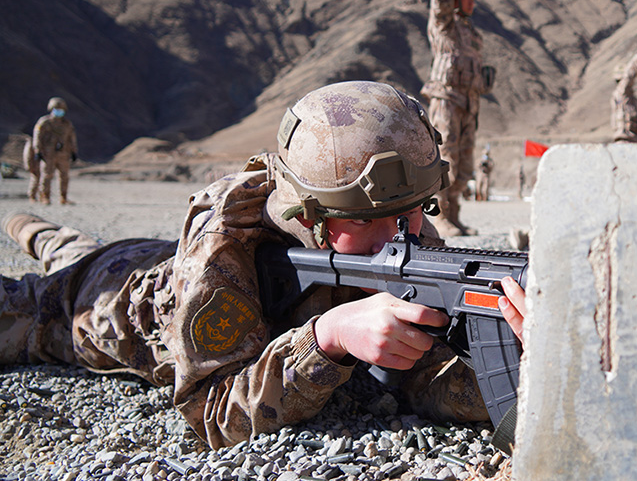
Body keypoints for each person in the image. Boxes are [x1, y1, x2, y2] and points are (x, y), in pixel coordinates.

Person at [0, 81, 527, 450]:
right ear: (310, 218)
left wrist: (533, 359)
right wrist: (324, 340)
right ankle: (34, 230)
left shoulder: (401, 225)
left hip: (155, 259)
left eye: (413, 213)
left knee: (64, 243)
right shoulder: (226, 244)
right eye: (370, 222)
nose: (399, 237)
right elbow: (210, 415)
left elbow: (425, 376)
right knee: (40, 292)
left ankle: (40, 231)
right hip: (110, 306)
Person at [420, 0, 494, 237]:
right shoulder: (444, 24)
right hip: (447, 100)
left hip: (469, 103)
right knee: (445, 154)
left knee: (464, 161)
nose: (471, 1)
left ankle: (456, 213)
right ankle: (440, 217)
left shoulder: (473, 34)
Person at [31, 96, 78, 205]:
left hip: (63, 154)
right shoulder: (44, 122)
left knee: (64, 176)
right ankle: (45, 197)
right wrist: (37, 151)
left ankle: (63, 198)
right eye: (56, 109)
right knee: (47, 175)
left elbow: (72, 138)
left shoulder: (67, 124)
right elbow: (37, 136)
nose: (59, 112)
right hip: (48, 154)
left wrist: (74, 151)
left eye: (61, 109)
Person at [610, 33, 637, 143]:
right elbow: (630, 74)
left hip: (634, 139)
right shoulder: (622, 92)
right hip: (625, 139)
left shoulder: (631, 99)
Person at [22, 137, 39, 203]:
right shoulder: (31, 143)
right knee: (35, 180)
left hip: (41, 165)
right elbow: (27, 155)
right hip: (34, 165)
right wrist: (29, 166)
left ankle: (42, 196)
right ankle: (32, 196)